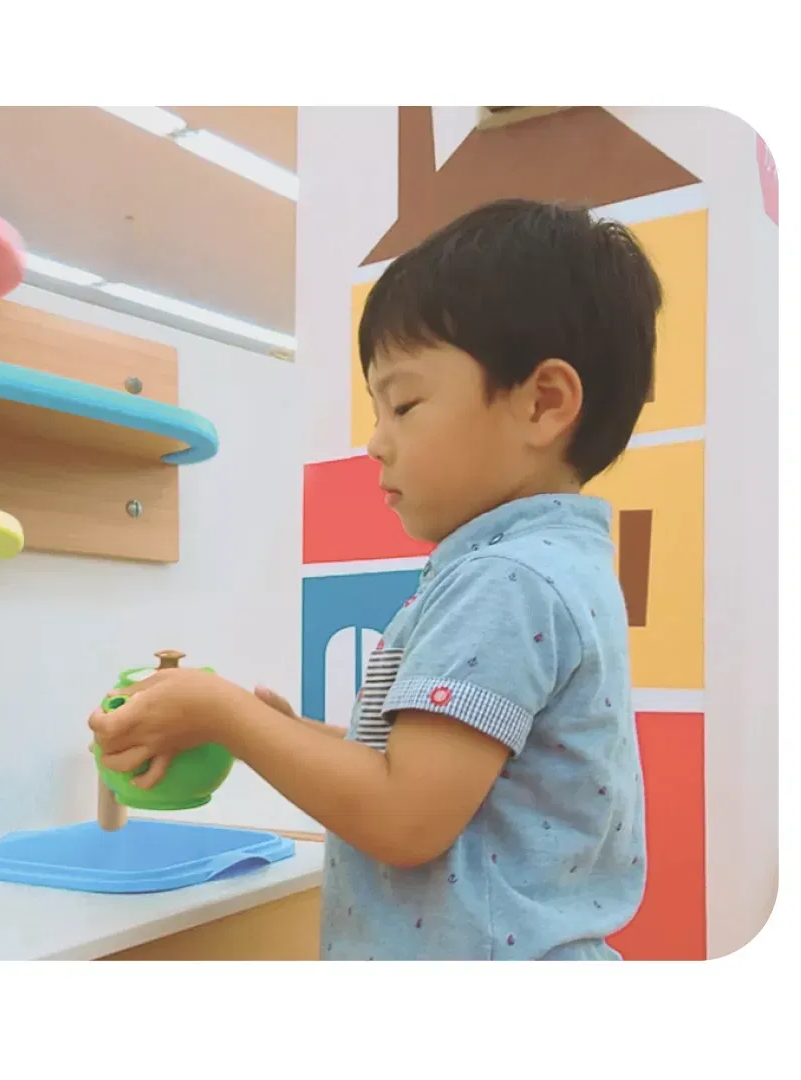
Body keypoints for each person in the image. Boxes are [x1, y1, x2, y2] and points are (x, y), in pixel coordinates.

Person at [89, 198, 661, 961]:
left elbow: (405, 819)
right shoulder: (553, 563)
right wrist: (276, 732)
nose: (375, 443)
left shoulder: (503, 580)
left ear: (543, 403)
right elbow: (433, 771)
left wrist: (227, 715)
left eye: (404, 404)